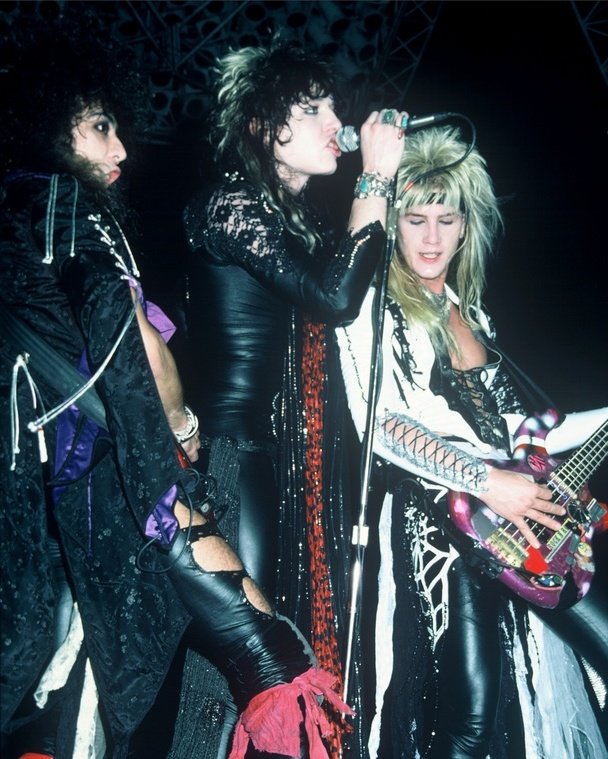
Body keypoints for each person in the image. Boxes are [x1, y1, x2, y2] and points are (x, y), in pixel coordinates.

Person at [0, 22, 351, 759]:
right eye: (101, 126)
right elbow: (131, 334)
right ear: (52, 124)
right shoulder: (68, 208)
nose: (122, 149)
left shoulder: (26, 212)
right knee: (268, 662)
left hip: (72, 487)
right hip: (133, 481)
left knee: (63, 678)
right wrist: (182, 431)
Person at [336, 125, 608, 758]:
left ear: (465, 229)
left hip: (514, 520)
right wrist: (488, 481)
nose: (431, 238)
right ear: (393, 224)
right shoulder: (374, 301)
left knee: (524, 696)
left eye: (446, 220)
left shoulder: (469, 310)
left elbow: (520, 431)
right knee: (472, 715)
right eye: (415, 220)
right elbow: (383, 425)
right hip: (439, 523)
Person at [181, 42, 407, 758]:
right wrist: (375, 176)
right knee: (252, 675)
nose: (336, 122)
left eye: (332, 106)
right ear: (260, 126)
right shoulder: (229, 203)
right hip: (233, 460)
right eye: (312, 109)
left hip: (285, 465)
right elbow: (334, 297)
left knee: (287, 656)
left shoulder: (292, 221)